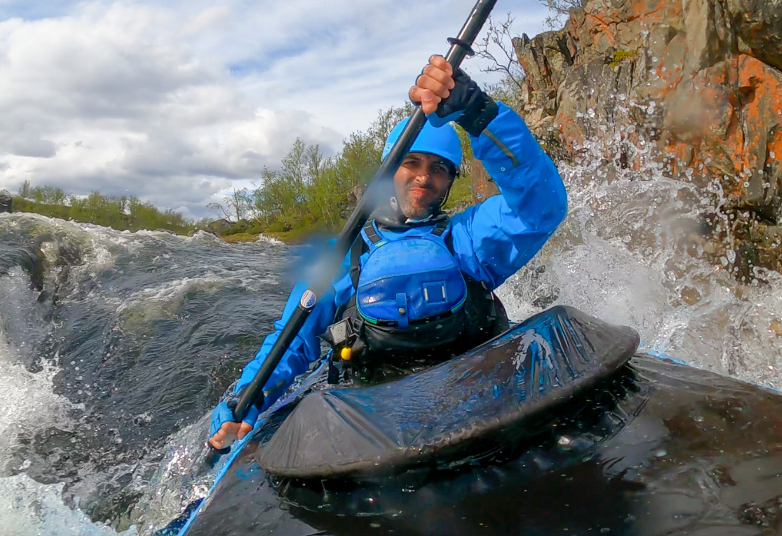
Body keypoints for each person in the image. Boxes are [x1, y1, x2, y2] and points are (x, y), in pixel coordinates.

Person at [208, 55, 568, 449]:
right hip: (373, 423)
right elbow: (294, 340)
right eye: (410, 163)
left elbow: (542, 206)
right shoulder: (342, 255)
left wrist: (480, 114)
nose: (423, 177)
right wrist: (247, 400)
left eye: (439, 168)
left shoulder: (468, 238)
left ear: (449, 180)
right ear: (388, 170)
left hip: (477, 402)